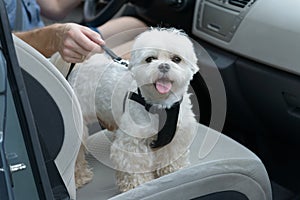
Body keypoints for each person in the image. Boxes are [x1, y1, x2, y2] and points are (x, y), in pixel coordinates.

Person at [5, 0, 147, 63]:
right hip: (30, 64)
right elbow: (3, 48)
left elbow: (55, 6)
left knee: (138, 27)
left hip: (41, 39)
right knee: (151, 49)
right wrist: (54, 38)